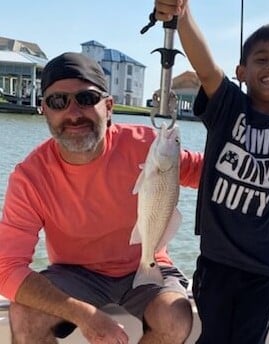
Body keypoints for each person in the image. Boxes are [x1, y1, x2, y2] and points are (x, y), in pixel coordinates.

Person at [155, 1, 269, 343]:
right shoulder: (228, 107)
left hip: (262, 272)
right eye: (262, 58)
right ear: (241, 71)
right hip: (216, 264)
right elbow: (206, 68)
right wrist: (182, 12)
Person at [0, 52, 203, 344]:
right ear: (43, 109)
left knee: (174, 316)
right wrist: (83, 314)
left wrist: (264, 118)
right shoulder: (29, 177)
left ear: (108, 107)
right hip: (73, 273)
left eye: (86, 99)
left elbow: (212, 172)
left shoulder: (150, 147)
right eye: (59, 102)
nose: (73, 113)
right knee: (25, 316)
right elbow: (6, 267)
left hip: (145, 265)